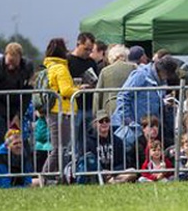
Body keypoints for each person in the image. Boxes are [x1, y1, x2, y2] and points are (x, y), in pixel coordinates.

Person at [42, 38, 89, 178]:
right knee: (60, 148)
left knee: (59, 147)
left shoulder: (50, 66)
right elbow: (65, 90)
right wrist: (79, 89)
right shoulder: (61, 68)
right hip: (61, 111)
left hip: (55, 111)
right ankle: (46, 175)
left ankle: (54, 175)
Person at [111, 57, 180, 151]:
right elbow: (123, 96)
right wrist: (127, 119)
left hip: (148, 128)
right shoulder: (141, 75)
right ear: (162, 71)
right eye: (168, 74)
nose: (168, 77)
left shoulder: (162, 81)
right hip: (132, 127)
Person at [0, 42, 35, 146]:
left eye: (14, 64)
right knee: (3, 141)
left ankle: (19, 161)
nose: (10, 66)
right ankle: (2, 160)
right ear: (5, 55)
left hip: (16, 107)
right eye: (8, 62)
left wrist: (18, 116)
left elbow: (27, 93)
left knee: (19, 141)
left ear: (20, 58)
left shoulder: (27, 66)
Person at [79, 109, 134, 184]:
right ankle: (114, 182)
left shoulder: (117, 140)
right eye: (101, 121)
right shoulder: (88, 142)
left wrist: (112, 172)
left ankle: (112, 182)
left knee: (132, 171)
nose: (104, 123)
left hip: (115, 173)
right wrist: (102, 171)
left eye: (107, 120)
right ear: (95, 124)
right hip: (97, 174)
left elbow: (123, 162)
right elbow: (87, 162)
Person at [93, 44, 137, 117]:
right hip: (129, 106)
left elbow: (98, 94)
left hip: (110, 106)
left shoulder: (105, 71)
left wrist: (96, 113)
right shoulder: (133, 68)